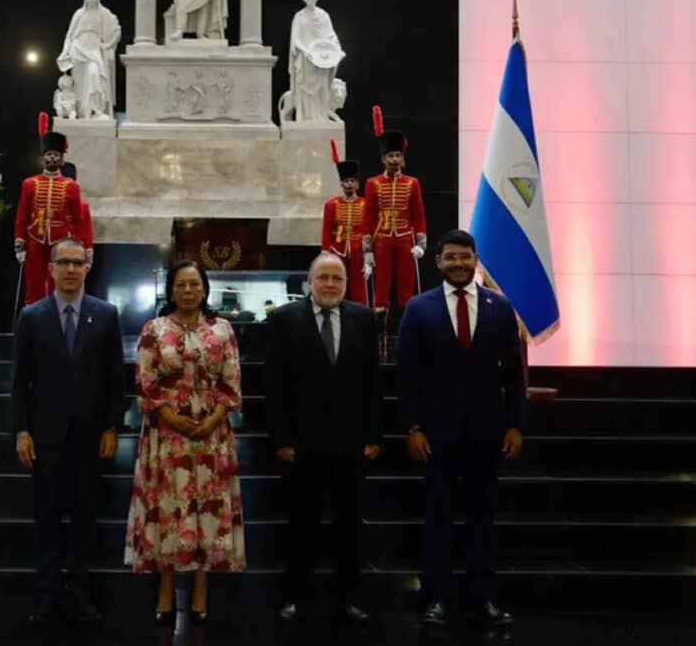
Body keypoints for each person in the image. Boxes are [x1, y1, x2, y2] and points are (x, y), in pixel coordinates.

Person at [395, 229, 525, 627]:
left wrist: (516, 425)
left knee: (482, 517)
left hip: (487, 432)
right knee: (436, 517)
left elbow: (513, 375)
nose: (457, 263)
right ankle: (435, 597)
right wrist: (412, 427)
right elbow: (406, 375)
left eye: (464, 257)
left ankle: (482, 597)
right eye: (450, 257)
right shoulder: (417, 308)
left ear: (475, 259)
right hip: (436, 434)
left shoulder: (500, 308)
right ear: (438, 262)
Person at [11, 236, 125, 627]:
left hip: (91, 438)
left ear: (87, 267)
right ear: (51, 268)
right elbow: (19, 381)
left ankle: (78, 594)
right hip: (44, 438)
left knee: (83, 519)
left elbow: (115, 378)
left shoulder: (106, 315)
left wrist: (113, 426)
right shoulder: (31, 316)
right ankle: (46, 596)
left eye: (78, 263)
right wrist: (21, 431)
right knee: (45, 520)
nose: (72, 270)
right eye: (65, 263)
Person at [124, 260, 245, 625]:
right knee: (169, 508)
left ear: (205, 289)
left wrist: (210, 420)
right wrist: (172, 417)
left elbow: (232, 382)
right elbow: (144, 383)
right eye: (181, 285)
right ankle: (164, 589)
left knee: (205, 510)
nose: (189, 291)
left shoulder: (223, 330)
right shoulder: (153, 329)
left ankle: (200, 590)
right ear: (171, 290)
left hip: (212, 436)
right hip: (167, 436)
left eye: (194, 285)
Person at [265, 251, 382, 625]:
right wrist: (281, 437)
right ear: (309, 282)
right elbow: (274, 384)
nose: (330, 284)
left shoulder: (363, 319)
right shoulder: (283, 319)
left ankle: (350, 597)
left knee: (349, 524)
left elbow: (373, 383)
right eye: (323, 278)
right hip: (301, 444)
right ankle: (294, 595)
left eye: (337, 278)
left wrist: (374, 434)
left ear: (346, 284)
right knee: (301, 523)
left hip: (351, 442)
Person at [14, 115, 82, 305]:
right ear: (43, 157)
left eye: (56, 154)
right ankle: (32, 318)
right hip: (35, 239)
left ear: (62, 159)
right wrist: (20, 243)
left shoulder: (71, 186)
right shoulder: (30, 183)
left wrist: (77, 245)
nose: (52, 157)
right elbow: (22, 215)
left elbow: (77, 219)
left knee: (57, 281)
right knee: (34, 283)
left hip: (60, 240)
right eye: (49, 154)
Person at [365, 115, 427, 316]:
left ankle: (408, 331)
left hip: (404, 240)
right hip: (381, 240)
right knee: (381, 289)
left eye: (397, 156)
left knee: (406, 289)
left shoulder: (412, 183)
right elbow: (369, 217)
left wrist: (421, 243)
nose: (394, 160)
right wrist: (367, 251)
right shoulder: (372, 183)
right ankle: (380, 338)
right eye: (390, 156)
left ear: (402, 157)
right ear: (383, 158)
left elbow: (418, 214)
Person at [57, 0, 121, 120]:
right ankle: (82, 112)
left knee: (94, 73)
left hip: (94, 49)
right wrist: (64, 52)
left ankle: (96, 109)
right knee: (80, 82)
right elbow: (70, 35)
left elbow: (116, 31)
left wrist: (108, 45)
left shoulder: (104, 13)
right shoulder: (79, 14)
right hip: (78, 48)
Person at [321, 142, 372, 305]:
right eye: (346, 181)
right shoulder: (331, 204)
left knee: (359, 294)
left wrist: (368, 257)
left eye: (353, 181)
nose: (350, 184)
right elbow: (327, 231)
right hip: (337, 251)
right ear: (341, 183)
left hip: (358, 251)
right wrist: (325, 254)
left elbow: (368, 231)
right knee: (337, 288)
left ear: (357, 184)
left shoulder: (365, 204)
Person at [287, 0, 345, 122]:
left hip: (321, 59)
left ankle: (322, 116)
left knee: (323, 87)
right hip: (306, 58)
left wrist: (338, 50)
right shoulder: (299, 16)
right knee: (305, 89)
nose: (310, 0)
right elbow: (296, 39)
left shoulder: (324, 16)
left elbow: (331, 35)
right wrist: (306, 51)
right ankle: (306, 117)